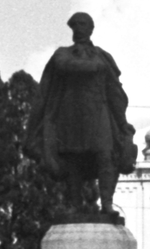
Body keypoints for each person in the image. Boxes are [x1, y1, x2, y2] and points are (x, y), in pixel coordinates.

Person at [23, 12, 137, 216]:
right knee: (73, 159)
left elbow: (114, 91)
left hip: (99, 113)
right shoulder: (63, 54)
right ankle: (74, 204)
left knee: (106, 156)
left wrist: (122, 123)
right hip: (71, 115)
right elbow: (62, 69)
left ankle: (107, 204)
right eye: (75, 25)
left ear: (91, 28)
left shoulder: (103, 56)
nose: (79, 28)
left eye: (83, 24)